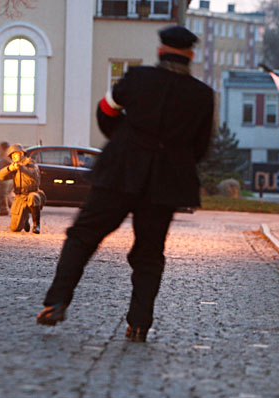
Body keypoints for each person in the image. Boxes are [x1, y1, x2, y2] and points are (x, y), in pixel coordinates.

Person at [37, 26, 214, 342]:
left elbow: (105, 111)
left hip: (119, 171)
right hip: (165, 184)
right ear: (190, 56)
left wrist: (121, 138)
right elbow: (201, 146)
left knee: (83, 236)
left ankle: (57, 301)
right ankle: (139, 323)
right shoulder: (202, 95)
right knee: (149, 253)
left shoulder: (137, 79)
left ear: (160, 52)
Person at [0, 143, 45, 234]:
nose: (14, 157)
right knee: (14, 228)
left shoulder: (30, 163)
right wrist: (9, 169)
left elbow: (33, 173)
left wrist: (21, 168)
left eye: (16, 154)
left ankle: (36, 225)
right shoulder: (13, 166)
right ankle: (25, 219)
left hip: (33, 192)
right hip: (20, 196)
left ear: (22, 154)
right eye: (12, 155)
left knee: (33, 197)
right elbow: (0, 176)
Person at [0, 141, 13, 216]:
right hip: (6, 178)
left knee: (2, 194)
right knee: (7, 195)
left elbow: (10, 163)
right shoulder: (7, 153)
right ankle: (12, 209)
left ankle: (4, 210)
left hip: (6, 179)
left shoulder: (7, 154)